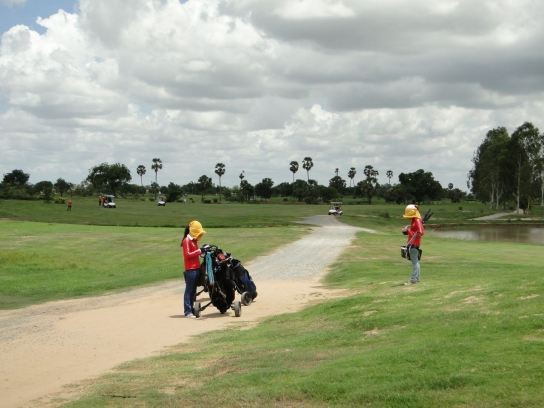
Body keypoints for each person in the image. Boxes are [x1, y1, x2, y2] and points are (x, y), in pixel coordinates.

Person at [181, 220, 207, 318]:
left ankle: (192, 309)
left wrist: (202, 251)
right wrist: (200, 251)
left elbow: (196, 253)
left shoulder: (193, 241)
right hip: (190, 270)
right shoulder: (186, 241)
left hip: (196, 268)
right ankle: (187, 311)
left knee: (193, 291)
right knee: (189, 290)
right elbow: (188, 255)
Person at [402, 204, 424, 284]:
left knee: (415, 262)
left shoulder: (417, 220)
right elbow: (414, 231)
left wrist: (408, 231)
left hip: (414, 244)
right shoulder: (415, 220)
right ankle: (417, 278)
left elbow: (421, 232)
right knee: (416, 262)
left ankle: (413, 279)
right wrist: (407, 231)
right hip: (413, 243)